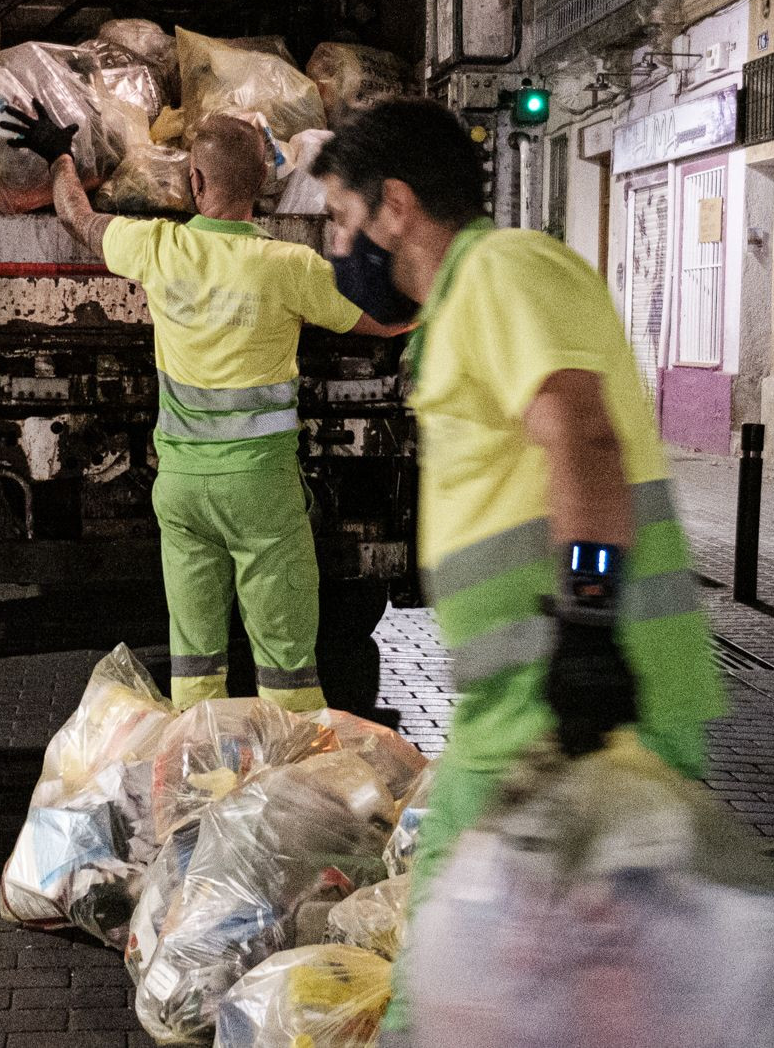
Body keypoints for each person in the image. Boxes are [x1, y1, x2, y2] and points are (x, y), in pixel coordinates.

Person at [309, 97, 726, 1043]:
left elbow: (580, 432)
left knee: (455, 994)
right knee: (550, 997)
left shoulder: (502, 269)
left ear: (396, 206)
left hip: (577, 706)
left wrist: (586, 626)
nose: (337, 246)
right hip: (529, 709)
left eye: (340, 217)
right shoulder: (457, 307)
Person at [2, 103, 404, 712]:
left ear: (194, 182)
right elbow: (378, 321)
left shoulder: (159, 248)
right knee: (287, 663)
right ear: (264, 186)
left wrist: (59, 154)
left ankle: (198, 776)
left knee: (194, 661)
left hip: (183, 489)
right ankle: (286, 790)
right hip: (261, 492)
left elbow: (77, 217)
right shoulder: (288, 266)